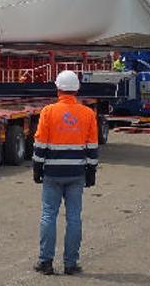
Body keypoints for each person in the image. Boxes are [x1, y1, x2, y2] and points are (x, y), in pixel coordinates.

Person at [32, 70, 98, 276]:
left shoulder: (48, 111)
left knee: (48, 216)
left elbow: (40, 143)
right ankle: (71, 264)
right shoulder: (88, 114)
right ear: (77, 89)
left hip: (52, 172)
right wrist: (91, 170)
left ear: (58, 88)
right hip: (76, 173)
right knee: (74, 218)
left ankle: (46, 262)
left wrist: (37, 167)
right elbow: (92, 146)